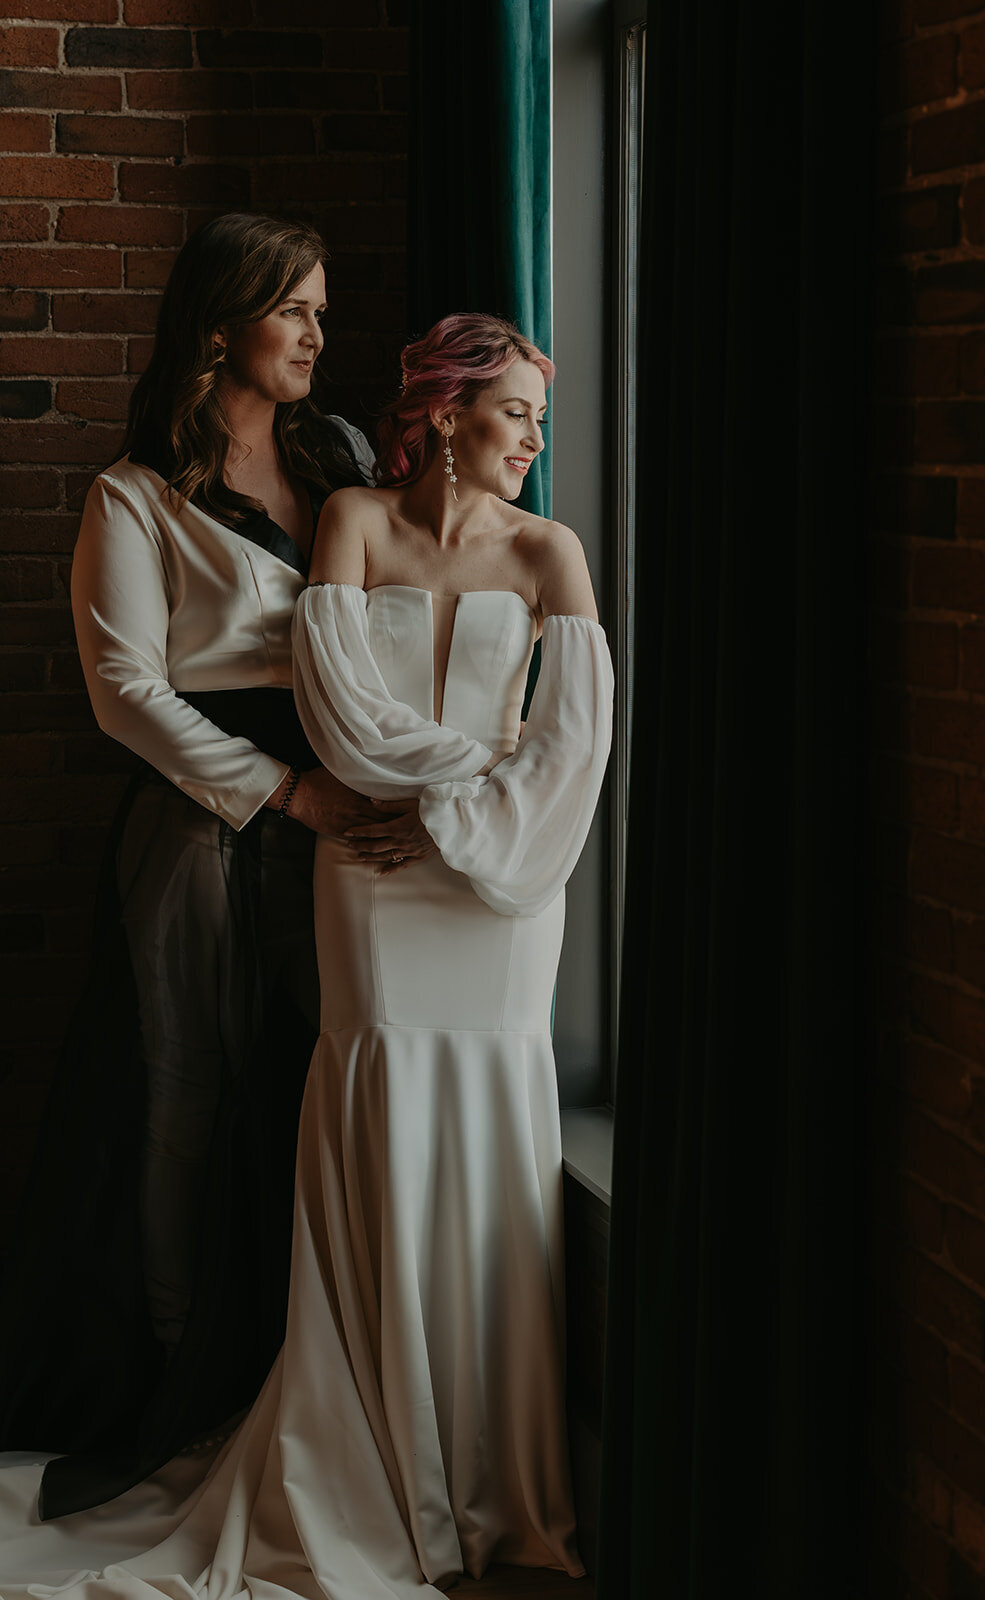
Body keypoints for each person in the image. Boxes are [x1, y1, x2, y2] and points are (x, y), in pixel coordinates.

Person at [0, 313, 612, 1598]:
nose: (533, 444)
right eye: (515, 416)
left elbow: (571, 752)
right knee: (374, 1111)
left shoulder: (553, 553)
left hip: (500, 896)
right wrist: (469, 781)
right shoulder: (354, 525)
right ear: (444, 417)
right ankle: (379, 1461)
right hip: (374, 886)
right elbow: (340, 719)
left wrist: (460, 812)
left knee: (493, 1138)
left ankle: (496, 1481)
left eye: (539, 422)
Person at [0, 212, 409, 1519]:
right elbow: (123, 692)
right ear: (224, 319)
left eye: (322, 315)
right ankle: (173, 1377)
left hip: (349, 818)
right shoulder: (136, 495)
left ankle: (305, 1371)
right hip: (205, 822)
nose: (315, 337)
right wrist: (281, 790)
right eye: (295, 310)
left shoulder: (339, 459)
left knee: (318, 1079)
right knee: (187, 1094)